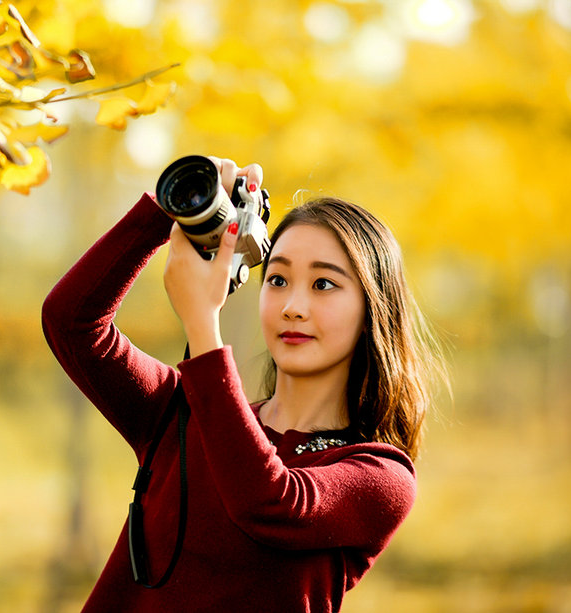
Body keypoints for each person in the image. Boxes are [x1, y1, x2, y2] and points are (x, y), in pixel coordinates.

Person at [42, 157, 443, 612]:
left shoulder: (380, 477)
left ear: (374, 309)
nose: (293, 306)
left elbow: (269, 502)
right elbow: (72, 321)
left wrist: (202, 326)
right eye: (278, 279)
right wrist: (166, 214)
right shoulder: (183, 415)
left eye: (324, 284)